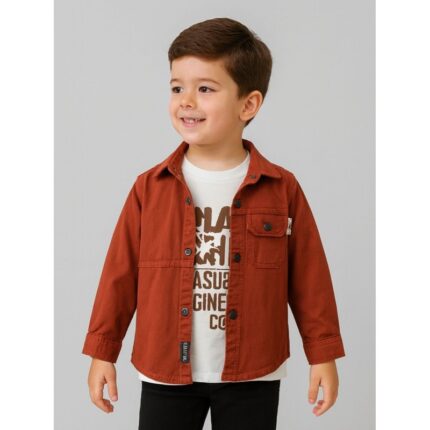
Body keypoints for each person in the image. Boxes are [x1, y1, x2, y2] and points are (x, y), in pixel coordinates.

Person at [82, 17, 346, 430]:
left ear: (248, 105)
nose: (186, 101)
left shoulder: (281, 188)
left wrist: (323, 354)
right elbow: (119, 273)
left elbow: (310, 278)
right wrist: (103, 351)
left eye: (205, 89)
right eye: (177, 88)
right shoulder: (149, 188)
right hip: (166, 367)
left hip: (252, 369)